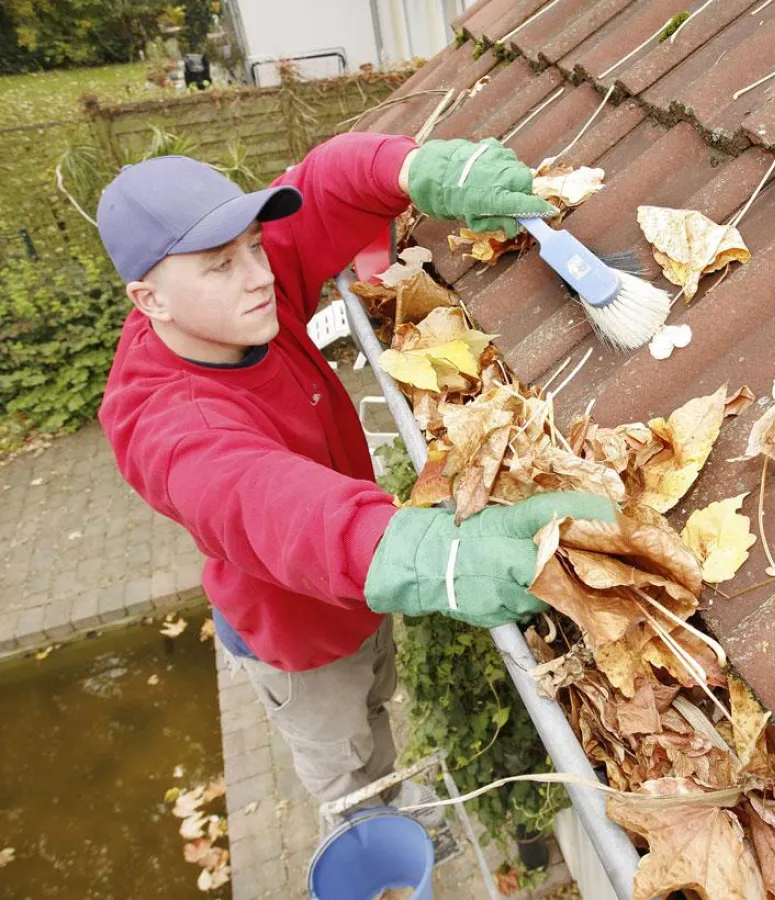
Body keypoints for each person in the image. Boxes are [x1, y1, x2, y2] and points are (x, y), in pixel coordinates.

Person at [95, 132, 616, 810]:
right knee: (349, 770)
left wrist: (420, 168)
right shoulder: (159, 421)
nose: (257, 274)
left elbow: (324, 182)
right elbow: (261, 502)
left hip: (360, 589)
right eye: (220, 264)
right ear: (151, 300)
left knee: (376, 703)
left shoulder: (234, 301)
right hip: (299, 641)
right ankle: (375, 849)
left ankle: (394, 802)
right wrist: (428, 556)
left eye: (254, 245)